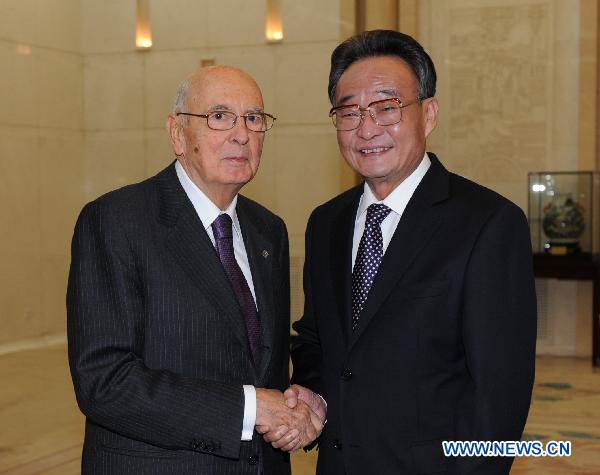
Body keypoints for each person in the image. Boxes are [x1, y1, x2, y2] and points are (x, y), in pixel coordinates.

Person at [290, 30, 537, 474]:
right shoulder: (325, 224)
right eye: (349, 112)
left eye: (387, 107)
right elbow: (317, 340)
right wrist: (311, 394)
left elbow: (498, 396)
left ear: (429, 113)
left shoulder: (488, 224)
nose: (367, 128)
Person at [67, 65, 323, 474]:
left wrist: (300, 401)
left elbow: (263, 364)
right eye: (219, 116)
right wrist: (252, 407)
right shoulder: (116, 221)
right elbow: (105, 382)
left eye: (254, 118)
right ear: (177, 134)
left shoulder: (268, 231)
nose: (241, 134)